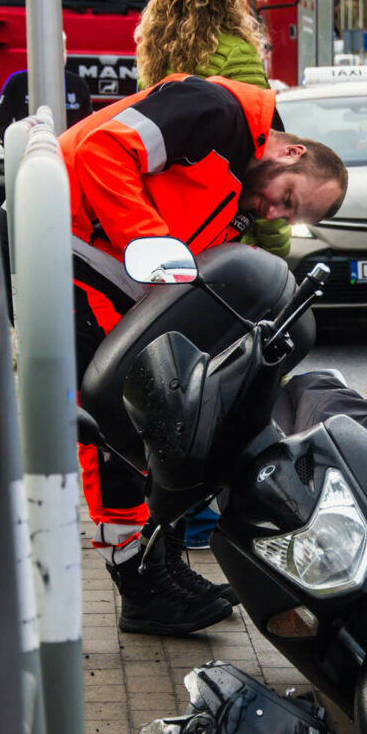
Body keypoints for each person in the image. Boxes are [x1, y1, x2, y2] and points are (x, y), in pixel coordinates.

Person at [60, 72, 347, 635]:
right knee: (111, 424)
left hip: (100, 268)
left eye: (289, 217)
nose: (274, 214)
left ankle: (153, 559)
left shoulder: (241, 180)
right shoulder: (215, 113)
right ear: (290, 151)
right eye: (287, 199)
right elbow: (104, 148)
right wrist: (149, 241)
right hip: (66, 249)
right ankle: (139, 584)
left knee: (150, 414)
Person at [135, 0, 290, 548]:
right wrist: (277, 260)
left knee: (176, 384)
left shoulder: (162, 48)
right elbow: (267, 170)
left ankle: (172, 520)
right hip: (226, 243)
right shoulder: (237, 58)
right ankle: (206, 522)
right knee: (225, 392)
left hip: (173, 233)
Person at [134, 0, 290, 262]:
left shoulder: (155, 52)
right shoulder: (235, 53)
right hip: (230, 237)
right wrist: (277, 248)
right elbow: (263, 161)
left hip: (176, 225)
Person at [0, 31, 94, 141]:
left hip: (67, 154)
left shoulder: (78, 85)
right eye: (50, 51)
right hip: (30, 154)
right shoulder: (17, 82)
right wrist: (16, 149)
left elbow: (88, 128)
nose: (55, 56)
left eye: (61, 50)